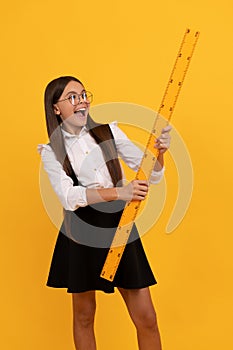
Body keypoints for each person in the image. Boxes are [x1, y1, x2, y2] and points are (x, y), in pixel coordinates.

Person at [38, 76, 171, 350]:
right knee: (84, 315)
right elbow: (68, 196)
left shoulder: (109, 132)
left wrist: (159, 153)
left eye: (84, 94)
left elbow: (152, 174)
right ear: (56, 108)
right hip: (80, 228)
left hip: (119, 225)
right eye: (72, 96)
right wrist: (118, 193)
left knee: (146, 317)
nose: (82, 100)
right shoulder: (52, 151)